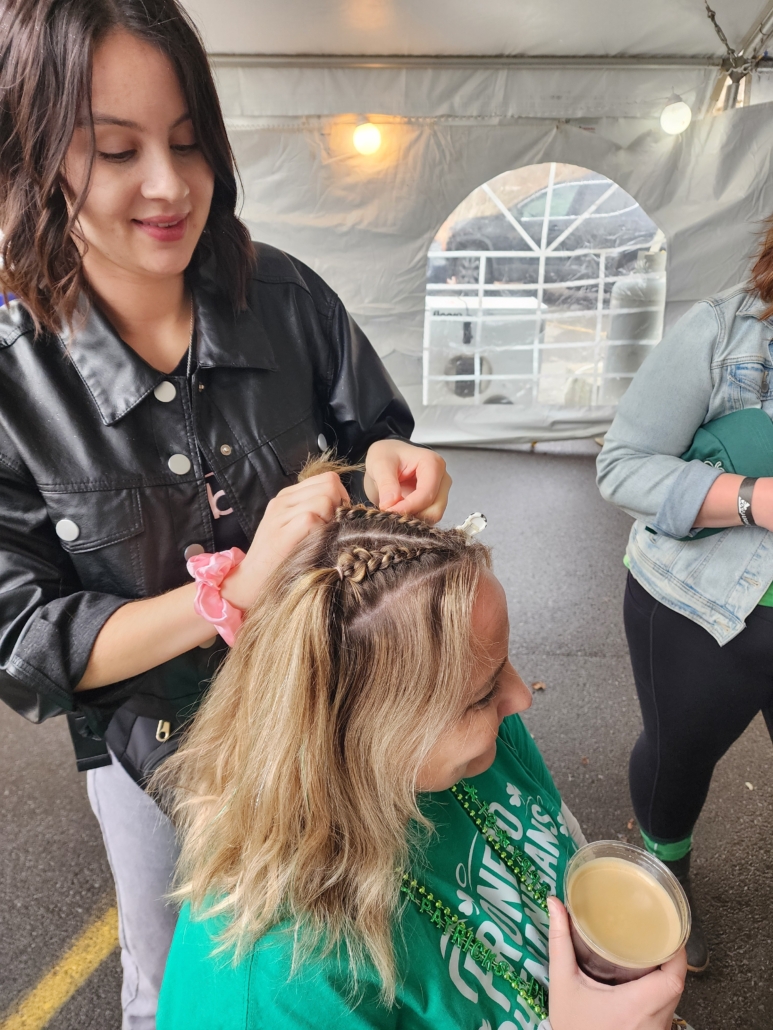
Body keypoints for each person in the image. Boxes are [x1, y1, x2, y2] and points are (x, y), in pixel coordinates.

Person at [0, 2, 450, 1026]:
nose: (169, 185)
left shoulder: (287, 297)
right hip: (152, 743)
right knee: (177, 977)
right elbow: (24, 638)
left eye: (190, 142)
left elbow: (372, 425)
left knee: (345, 934)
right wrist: (232, 592)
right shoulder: (13, 380)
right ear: (25, 162)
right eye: (115, 151)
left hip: (334, 698)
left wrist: (389, 457)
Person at [155, 461, 687, 1030]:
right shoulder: (270, 987)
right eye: (482, 696)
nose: (520, 699)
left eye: (502, 664)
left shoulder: (484, 751)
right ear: (369, 734)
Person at [596, 230, 773, 974]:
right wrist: (749, 497)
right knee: (677, 760)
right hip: (697, 609)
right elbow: (619, 468)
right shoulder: (724, 332)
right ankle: (666, 873)